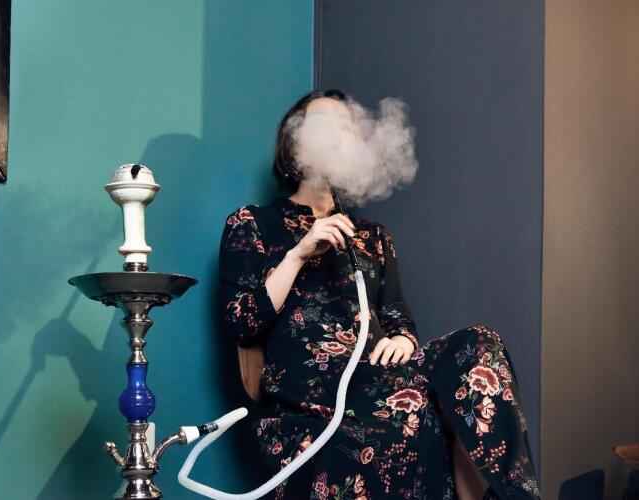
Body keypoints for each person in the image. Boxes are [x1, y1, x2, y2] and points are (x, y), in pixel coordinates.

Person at [218, 89, 541, 499]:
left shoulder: (372, 237)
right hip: (311, 388)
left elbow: (399, 318)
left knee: (480, 343)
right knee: (420, 415)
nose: (339, 136)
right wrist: (298, 254)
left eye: (347, 128)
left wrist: (402, 339)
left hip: (376, 377)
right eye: (325, 126)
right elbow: (241, 322)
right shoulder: (253, 223)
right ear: (295, 141)